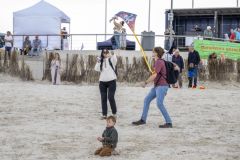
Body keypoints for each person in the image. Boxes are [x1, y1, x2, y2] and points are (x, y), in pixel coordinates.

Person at [132, 47, 173, 128]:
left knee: (159, 104)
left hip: (162, 86)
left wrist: (145, 82)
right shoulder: (158, 61)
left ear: (157, 53)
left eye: (153, 51)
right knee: (147, 100)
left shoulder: (159, 62)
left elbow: (154, 75)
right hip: (158, 86)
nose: (152, 52)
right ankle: (143, 120)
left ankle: (169, 122)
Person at [94, 49, 117, 119]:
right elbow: (96, 69)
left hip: (112, 81)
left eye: (107, 52)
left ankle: (114, 113)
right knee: (103, 98)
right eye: (104, 52)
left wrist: (112, 54)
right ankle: (104, 114)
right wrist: (98, 61)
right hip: (102, 82)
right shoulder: (100, 61)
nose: (105, 53)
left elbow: (115, 59)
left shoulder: (111, 59)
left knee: (110, 97)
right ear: (102, 53)